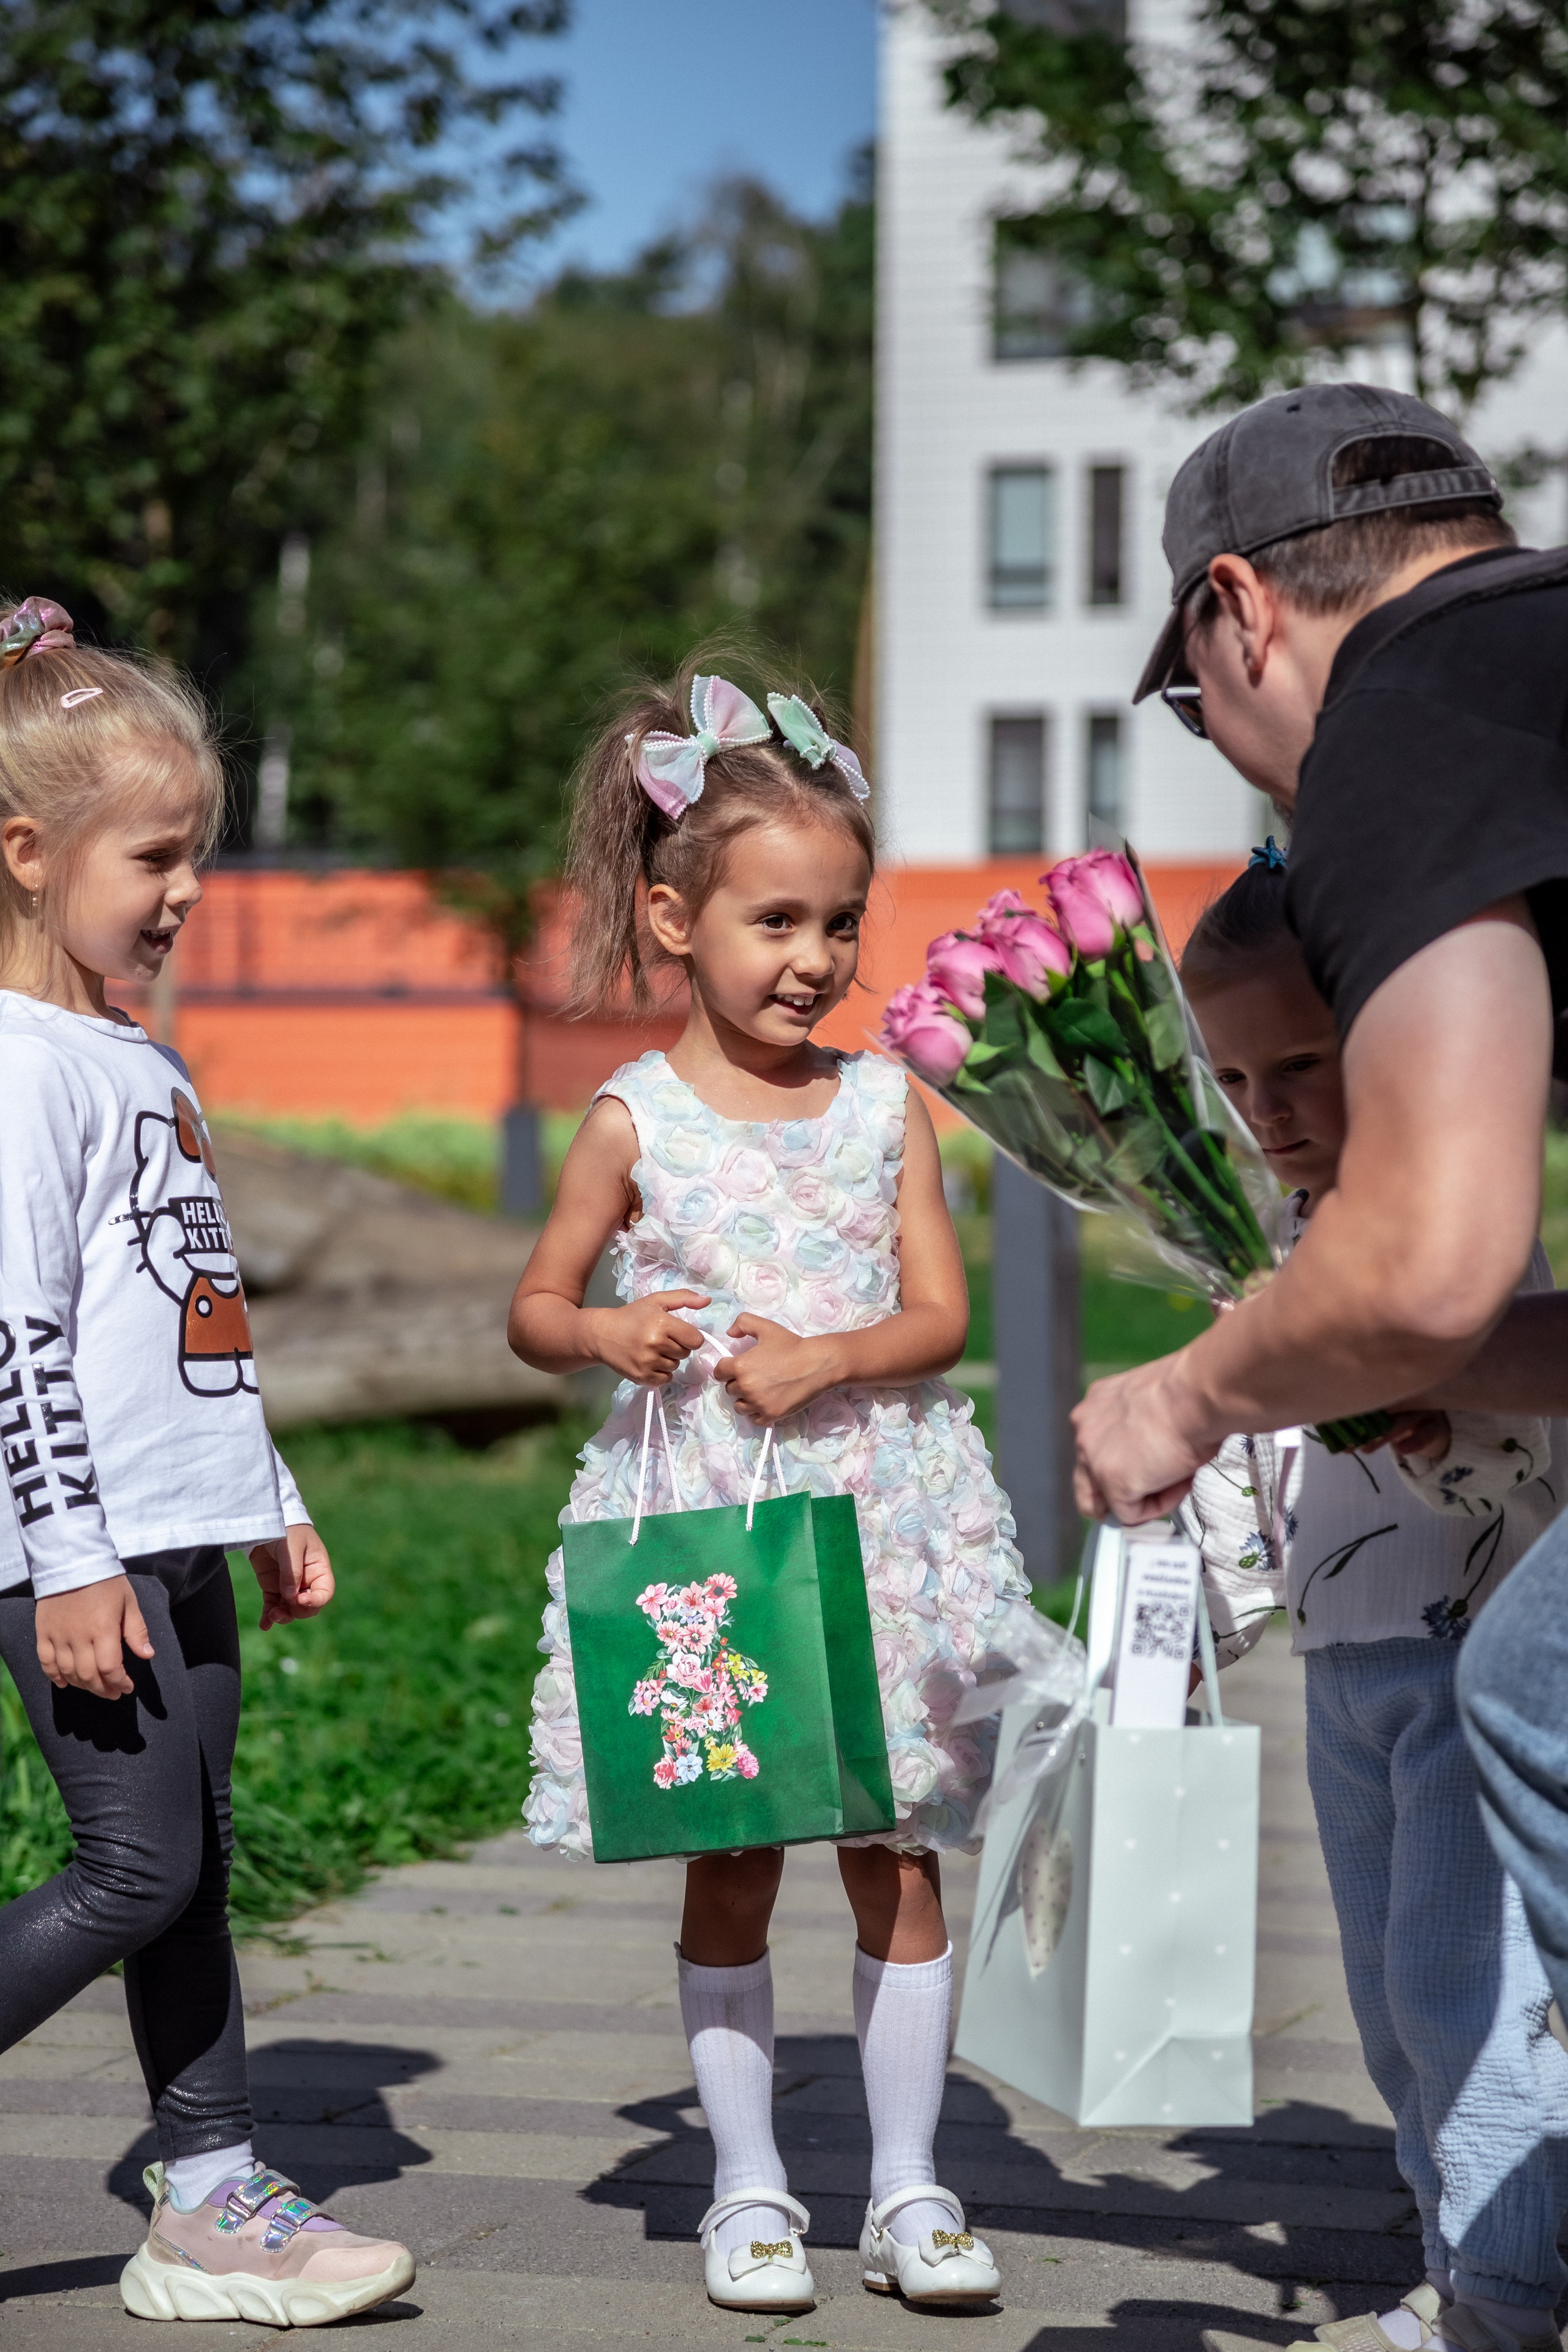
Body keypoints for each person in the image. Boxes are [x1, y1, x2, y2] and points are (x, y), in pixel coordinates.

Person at [1067, 382, 1568, 2089]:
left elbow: (1425, 1258)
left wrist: (1193, 1388)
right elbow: (1458, 1309)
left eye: (1195, 707)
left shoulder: (1401, 725)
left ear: (1239, 608)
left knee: (1530, 1690)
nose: (1222, 742)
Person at [509, 666, 1020, 2316]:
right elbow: (535, 1309)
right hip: (713, 1534)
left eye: (840, 923)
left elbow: (943, 1315)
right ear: (673, 920)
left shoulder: (885, 1107)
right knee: (731, 1848)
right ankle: (747, 2190)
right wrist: (609, 1327)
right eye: (775, 922)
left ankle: (912, 2188)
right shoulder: (631, 1122)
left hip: (881, 1510)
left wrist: (833, 1358)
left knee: (903, 1851)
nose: (813, 960)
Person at [0, 598, 415, 2329]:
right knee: (135, 1869)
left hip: (177, 1528)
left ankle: (211, 2196)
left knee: (194, 1862)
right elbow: (14, 1339)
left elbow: (191, 1312)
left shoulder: (136, 1056)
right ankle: (212, 2183)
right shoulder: (22, 1070)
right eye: (154, 855)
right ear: (26, 852)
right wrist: (73, 1557)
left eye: (196, 855)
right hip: (75, 1550)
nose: (184, 892)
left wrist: (270, 1497)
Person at [1182, 851, 1568, 2352]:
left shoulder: (1442, 1232)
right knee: (1385, 1999)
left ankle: (1502, 2296)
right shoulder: (1273, 1236)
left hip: (1468, 1644)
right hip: (1340, 1666)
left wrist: (1440, 1439)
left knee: (1457, 1988)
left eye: (1298, 1064)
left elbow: (1526, 1475)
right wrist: (1206, 1602)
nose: (1265, 1110)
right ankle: (1465, 2255)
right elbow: (1258, 1452)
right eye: (1230, 1079)